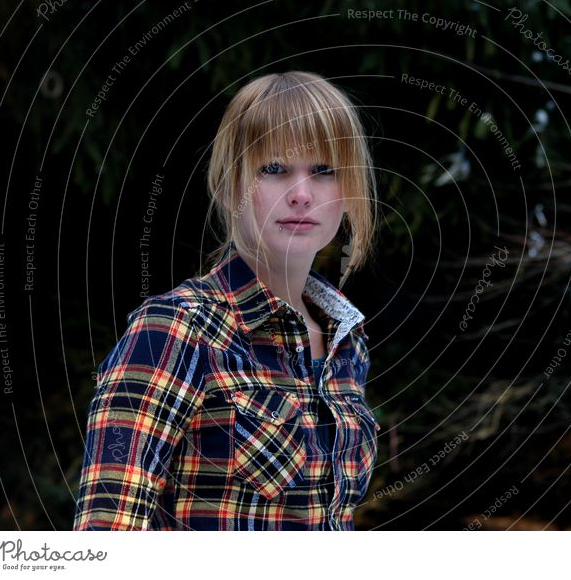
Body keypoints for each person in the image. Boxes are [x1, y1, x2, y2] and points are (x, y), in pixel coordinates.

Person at [73, 71, 379, 531]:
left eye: (324, 171)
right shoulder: (175, 329)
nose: (301, 195)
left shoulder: (345, 344)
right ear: (231, 183)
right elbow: (106, 539)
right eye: (274, 169)